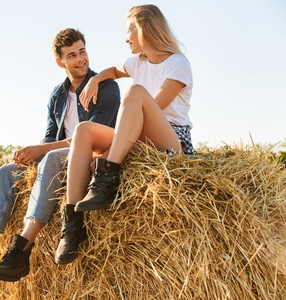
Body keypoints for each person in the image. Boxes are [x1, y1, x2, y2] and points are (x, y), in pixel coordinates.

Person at [0, 28, 120, 281]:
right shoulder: (57, 94)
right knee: (6, 172)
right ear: (60, 62)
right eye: (72, 55)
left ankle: (22, 248)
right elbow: (49, 136)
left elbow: (90, 138)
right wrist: (29, 153)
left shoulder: (106, 87)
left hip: (89, 156)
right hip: (57, 152)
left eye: (82, 52)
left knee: (52, 158)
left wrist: (42, 150)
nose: (80, 59)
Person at [55, 4, 194, 264]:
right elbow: (113, 71)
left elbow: (155, 107)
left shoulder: (178, 64)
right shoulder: (137, 62)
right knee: (84, 130)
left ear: (145, 30)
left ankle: (106, 177)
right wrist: (95, 80)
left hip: (170, 139)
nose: (126, 38)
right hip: (136, 135)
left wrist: (109, 150)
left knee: (135, 93)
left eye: (130, 31)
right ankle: (72, 223)